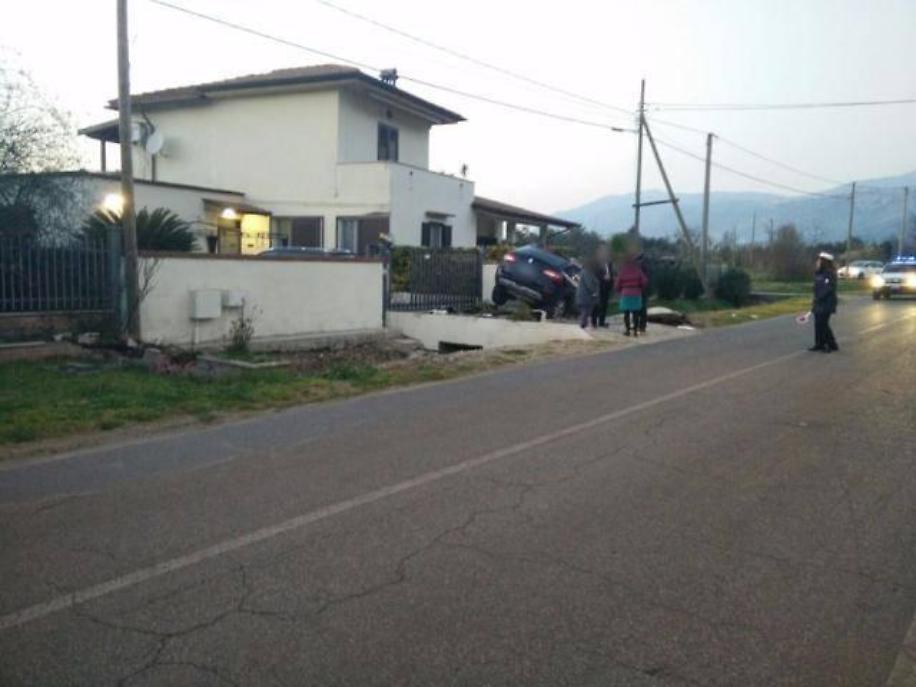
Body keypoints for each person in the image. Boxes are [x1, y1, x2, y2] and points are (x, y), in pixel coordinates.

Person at [810, 251, 839, 353]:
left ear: (824, 261)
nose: (817, 262)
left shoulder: (830, 273)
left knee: (823, 323)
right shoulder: (818, 273)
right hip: (818, 301)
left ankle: (830, 344)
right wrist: (815, 296)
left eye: (819, 260)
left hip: (827, 301)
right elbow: (816, 286)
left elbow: (829, 288)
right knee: (818, 323)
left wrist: (820, 296)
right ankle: (819, 344)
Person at [615, 254, 648, 336]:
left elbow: (617, 284)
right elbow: (644, 281)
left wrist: (619, 290)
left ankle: (627, 330)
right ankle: (635, 331)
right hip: (636, 293)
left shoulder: (622, 271)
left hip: (626, 293)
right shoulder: (638, 270)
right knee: (635, 313)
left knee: (626, 313)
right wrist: (640, 287)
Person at [591, 245, 615, 328]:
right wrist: (603, 277)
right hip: (598, 286)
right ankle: (594, 322)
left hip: (606, 287)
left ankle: (602, 322)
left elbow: (611, 273)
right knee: (596, 304)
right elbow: (594, 274)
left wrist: (611, 281)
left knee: (604, 305)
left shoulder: (609, 262)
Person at [576, 257, 600, 329]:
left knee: (586, 310)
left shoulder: (585, 271)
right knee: (585, 310)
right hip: (586, 295)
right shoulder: (587, 272)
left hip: (584, 295)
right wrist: (594, 291)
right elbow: (589, 284)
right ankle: (583, 324)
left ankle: (584, 324)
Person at [635, 252, 652, 333]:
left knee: (640, 307)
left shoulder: (640, 266)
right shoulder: (647, 265)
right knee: (643, 307)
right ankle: (642, 325)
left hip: (639, 289)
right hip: (644, 289)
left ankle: (640, 325)